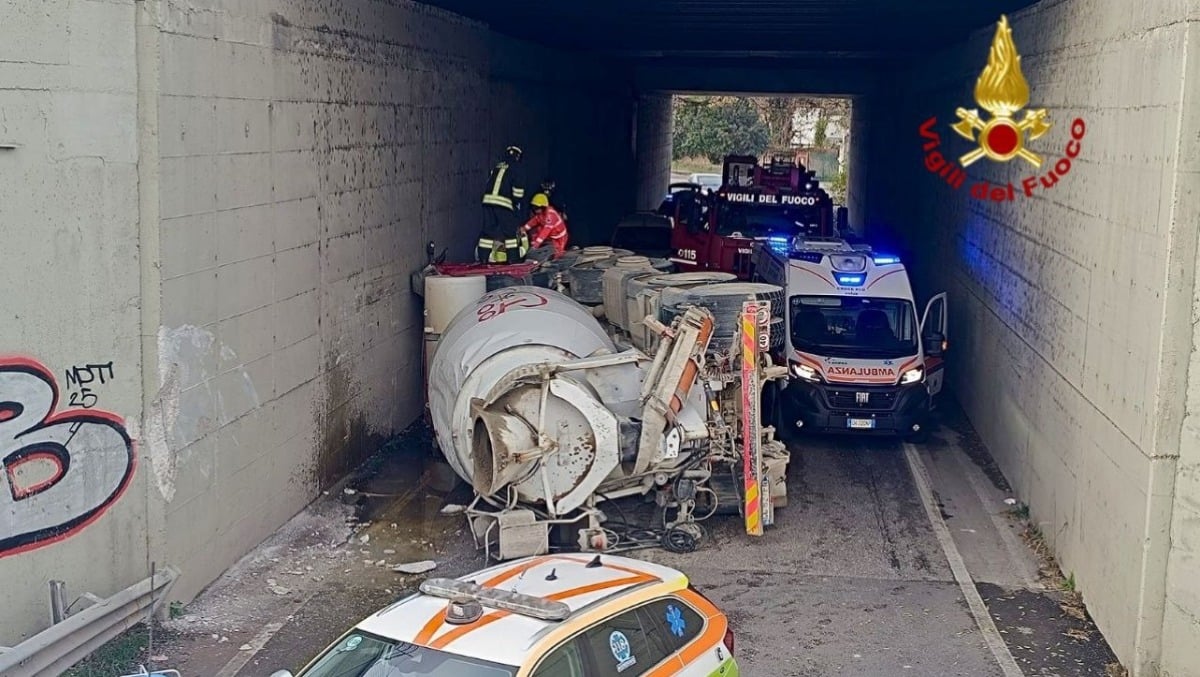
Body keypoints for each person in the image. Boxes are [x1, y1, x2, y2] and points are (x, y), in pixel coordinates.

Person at [477, 145, 526, 264]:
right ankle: (513, 259)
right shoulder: (516, 167)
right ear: (517, 156)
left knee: (487, 231)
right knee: (510, 233)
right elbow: (518, 190)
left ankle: (483, 258)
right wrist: (517, 201)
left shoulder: (498, 166)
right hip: (503, 204)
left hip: (488, 201)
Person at [519, 192, 569, 260]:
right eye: (534, 207)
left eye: (537, 208)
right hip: (551, 236)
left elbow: (545, 232)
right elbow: (534, 221)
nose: (535, 210)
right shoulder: (540, 214)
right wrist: (524, 228)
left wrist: (536, 245)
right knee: (537, 230)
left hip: (559, 237)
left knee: (557, 255)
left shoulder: (550, 215)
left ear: (543, 207)